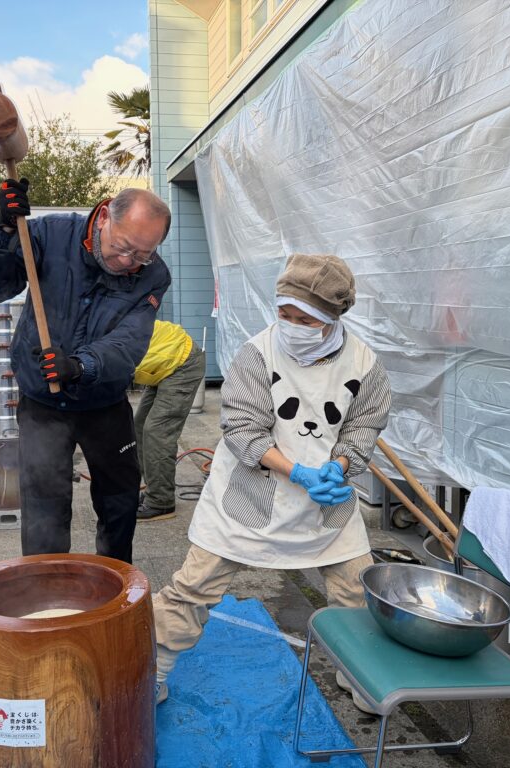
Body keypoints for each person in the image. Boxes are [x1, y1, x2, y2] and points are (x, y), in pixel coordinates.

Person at [151, 254, 392, 711]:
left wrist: (340, 466)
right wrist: (296, 471)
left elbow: (364, 425)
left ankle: (356, 671)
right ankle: (154, 670)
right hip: (251, 492)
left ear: (332, 317)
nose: (292, 324)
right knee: (195, 585)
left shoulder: (364, 362)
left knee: (355, 588)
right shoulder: (257, 354)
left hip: (326, 498)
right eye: (285, 313)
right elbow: (242, 428)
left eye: (306, 318)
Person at [0, 182, 172, 563]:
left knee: (119, 502)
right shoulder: (50, 234)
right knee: (44, 504)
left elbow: (130, 341)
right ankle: (46, 589)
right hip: (42, 404)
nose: (129, 262)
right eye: (124, 247)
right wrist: (3, 232)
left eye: (143, 254)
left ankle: (114, 587)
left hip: (104, 401)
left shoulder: (153, 275)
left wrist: (81, 365)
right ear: (106, 216)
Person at [134, 320, 206, 521]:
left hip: (182, 362)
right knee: (139, 426)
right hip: (162, 366)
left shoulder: (100, 342)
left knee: (157, 431)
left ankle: (161, 502)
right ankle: (149, 490)